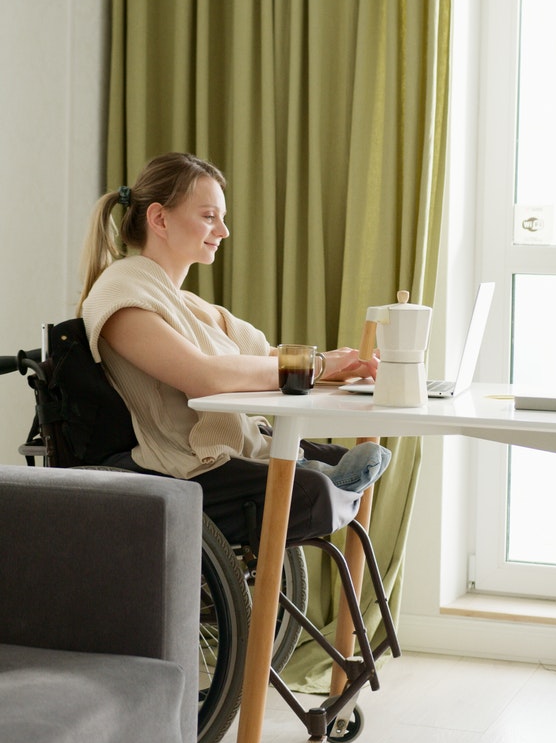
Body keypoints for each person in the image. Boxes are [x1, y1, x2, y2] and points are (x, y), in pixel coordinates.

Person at [78, 152, 390, 545]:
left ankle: (317, 469)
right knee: (317, 492)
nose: (223, 231)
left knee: (337, 463)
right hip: (184, 464)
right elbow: (205, 377)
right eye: (209, 216)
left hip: (228, 447)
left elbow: (268, 357)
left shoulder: (188, 304)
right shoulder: (121, 292)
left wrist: (342, 367)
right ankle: (316, 473)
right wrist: (318, 366)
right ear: (159, 219)